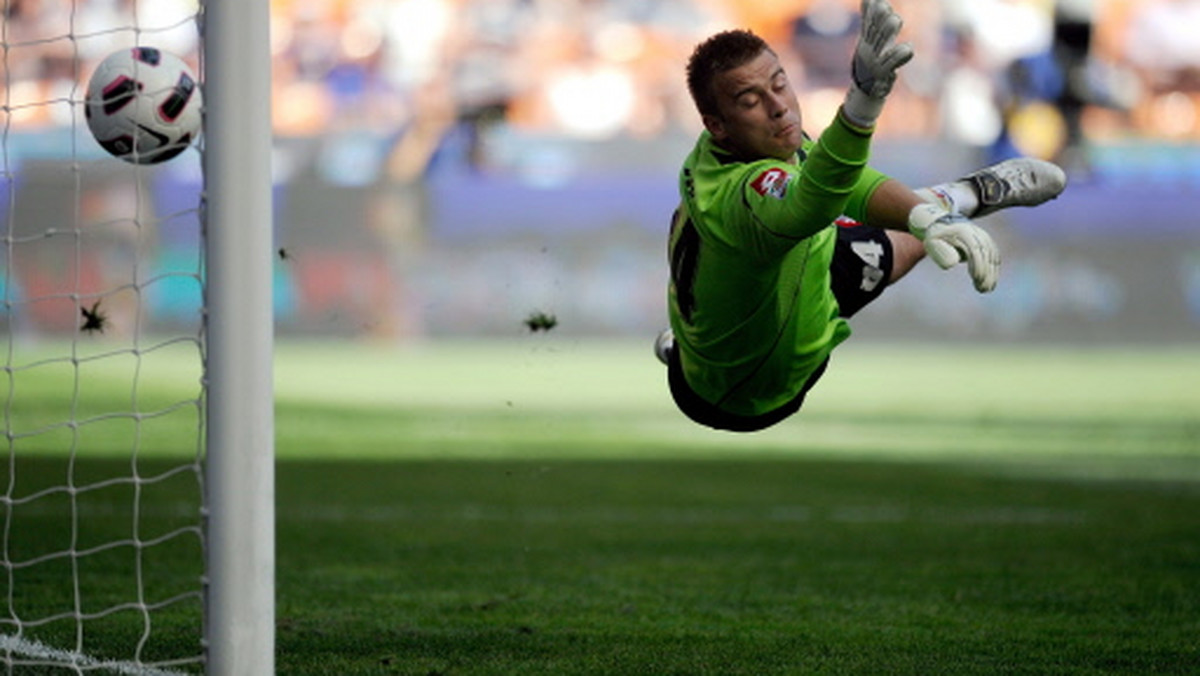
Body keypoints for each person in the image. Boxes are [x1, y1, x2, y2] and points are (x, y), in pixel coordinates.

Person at [656, 0, 1067, 432]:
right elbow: (812, 200)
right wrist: (862, 104)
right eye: (750, 101)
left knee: (881, 233)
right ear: (716, 125)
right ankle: (966, 196)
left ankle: (971, 194)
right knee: (871, 247)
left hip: (765, 289)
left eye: (780, 84)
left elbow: (845, 184)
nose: (778, 106)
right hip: (739, 392)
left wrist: (928, 219)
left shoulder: (747, 147)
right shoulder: (739, 193)